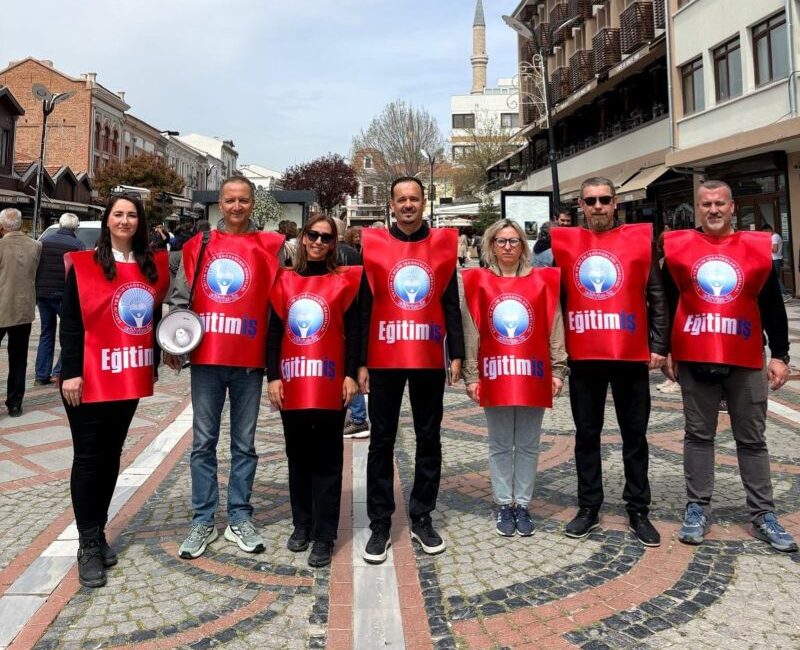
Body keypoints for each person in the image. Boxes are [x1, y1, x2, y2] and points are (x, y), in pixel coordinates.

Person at [663, 180, 797, 553]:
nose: (713, 210)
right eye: (706, 204)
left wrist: (781, 355)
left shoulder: (755, 249)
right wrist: (667, 349)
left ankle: (763, 514)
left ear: (732, 207)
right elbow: (670, 301)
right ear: (697, 208)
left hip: (746, 356)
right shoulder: (680, 249)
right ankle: (697, 507)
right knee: (698, 435)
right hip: (696, 355)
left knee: (752, 439)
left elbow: (771, 303)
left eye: (720, 203)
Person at [165, 176, 283, 559]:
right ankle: (203, 519)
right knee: (203, 443)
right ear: (220, 203)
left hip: (249, 362)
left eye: (243, 200)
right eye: (230, 200)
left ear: (253, 204)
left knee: (244, 445)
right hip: (207, 360)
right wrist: (174, 341)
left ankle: (239, 516)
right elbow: (180, 298)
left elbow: (283, 301)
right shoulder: (198, 245)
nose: (236, 207)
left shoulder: (270, 247)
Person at [551, 177, 668, 547]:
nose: (598, 206)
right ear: (580, 207)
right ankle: (589, 506)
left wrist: (659, 344)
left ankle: (638, 509)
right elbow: (555, 301)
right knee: (587, 435)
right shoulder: (566, 246)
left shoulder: (638, 241)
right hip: (584, 357)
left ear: (615, 203)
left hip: (630, 355)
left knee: (635, 435)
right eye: (590, 201)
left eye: (604, 199)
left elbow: (657, 295)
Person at [60, 194, 169, 587]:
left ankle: (99, 529)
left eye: (132, 215)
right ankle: (87, 543)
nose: (124, 221)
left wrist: (160, 356)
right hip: (87, 378)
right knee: (88, 458)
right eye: (118, 214)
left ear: (140, 222)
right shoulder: (86, 265)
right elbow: (70, 322)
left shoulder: (149, 267)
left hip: (127, 377)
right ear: (107, 221)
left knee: (110, 456)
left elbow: (151, 321)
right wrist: (70, 371)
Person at [359, 176, 464, 564]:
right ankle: (380, 523)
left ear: (424, 203)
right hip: (384, 356)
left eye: (414, 199)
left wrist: (457, 351)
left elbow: (451, 301)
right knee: (381, 440)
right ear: (391, 203)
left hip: (427, 356)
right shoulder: (373, 244)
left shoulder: (443, 245)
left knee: (428, 437)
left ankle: (422, 515)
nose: (407, 205)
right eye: (401, 199)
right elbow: (364, 306)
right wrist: (360, 361)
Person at [461, 218, 566, 536]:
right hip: (495, 374)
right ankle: (504, 503)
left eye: (513, 240)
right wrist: (472, 375)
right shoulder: (477, 281)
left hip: (533, 373)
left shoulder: (542, 280)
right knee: (501, 443)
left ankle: (523, 503)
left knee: (529, 443)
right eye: (501, 241)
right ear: (491, 245)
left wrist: (558, 369)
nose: (507, 246)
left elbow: (555, 323)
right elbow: (472, 331)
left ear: (523, 245)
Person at [267, 214, 361, 567]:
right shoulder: (284, 280)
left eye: (326, 237)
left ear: (334, 243)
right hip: (292, 381)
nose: (319, 242)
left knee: (327, 460)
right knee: (297, 457)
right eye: (313, 235)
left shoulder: (344, 281)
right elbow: (274, 332)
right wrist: (272, 376)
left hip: (329, 382)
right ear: (303, 239)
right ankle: (301, 524)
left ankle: (325, 534)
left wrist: (351, 374)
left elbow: (353, 332)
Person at [34, 213, 85, 386]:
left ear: (59, 225)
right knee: (70, 333)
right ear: (76, 227)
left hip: (43, 293)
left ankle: (41, 374)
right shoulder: (78, 245)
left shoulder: (44, 242)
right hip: (64, 296)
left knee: (46, 333)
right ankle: (58, 372)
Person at [0, 208, 42, 416]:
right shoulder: (35, 246)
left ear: (2, 227)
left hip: (1, 306)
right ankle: (15, 403)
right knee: (18, 358)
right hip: (23, 309)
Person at [332, 218, 370, 439]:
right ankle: (356, 416)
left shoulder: (330, 255)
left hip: (340, 316)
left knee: (345, 367)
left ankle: (357, 418)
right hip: (353, 313)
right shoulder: (355, 254)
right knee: (349, 366)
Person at [761, 223, 790, 301]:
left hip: (775, 259)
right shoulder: (775, 236)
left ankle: (784, 294)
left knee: (776, 278)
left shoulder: (774, 237)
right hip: (776, 259)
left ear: (769, 230)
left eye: (765, 232)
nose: (765, 234)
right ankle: (779, 294)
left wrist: (765, 247)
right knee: (774, 278)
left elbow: (775, 249)